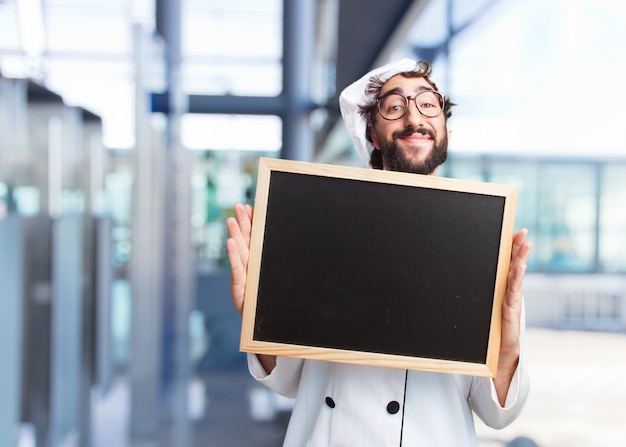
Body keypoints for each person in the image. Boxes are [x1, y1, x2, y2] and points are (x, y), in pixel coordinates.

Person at [226, 58, 532, 446]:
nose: (413, 117)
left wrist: (508, 349)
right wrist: (260, 314)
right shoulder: (325, 228)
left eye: (428, 104)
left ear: (445, 128)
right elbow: (287, 378)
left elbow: (497, 413)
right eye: (394, 107)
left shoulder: (486, 238)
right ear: (372, 129)